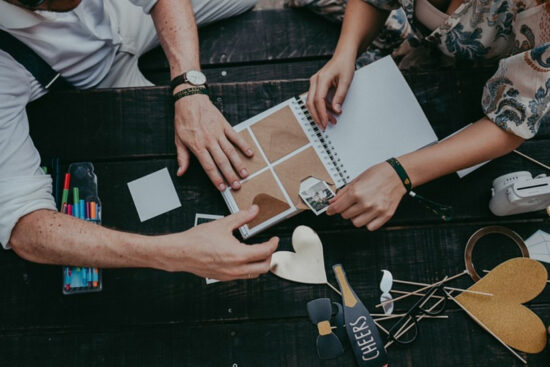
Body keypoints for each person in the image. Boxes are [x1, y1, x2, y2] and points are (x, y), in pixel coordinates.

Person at [0, 0, 279, 281]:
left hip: (125, 12)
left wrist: (189, 88)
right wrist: (174, 253)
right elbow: (25, 228)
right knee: (176, 172)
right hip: (98, 85)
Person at [305, 0, 549, 231]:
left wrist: (400, 175)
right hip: (414, 66)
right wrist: (345, 53)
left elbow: (512, 121)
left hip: (473, 115)